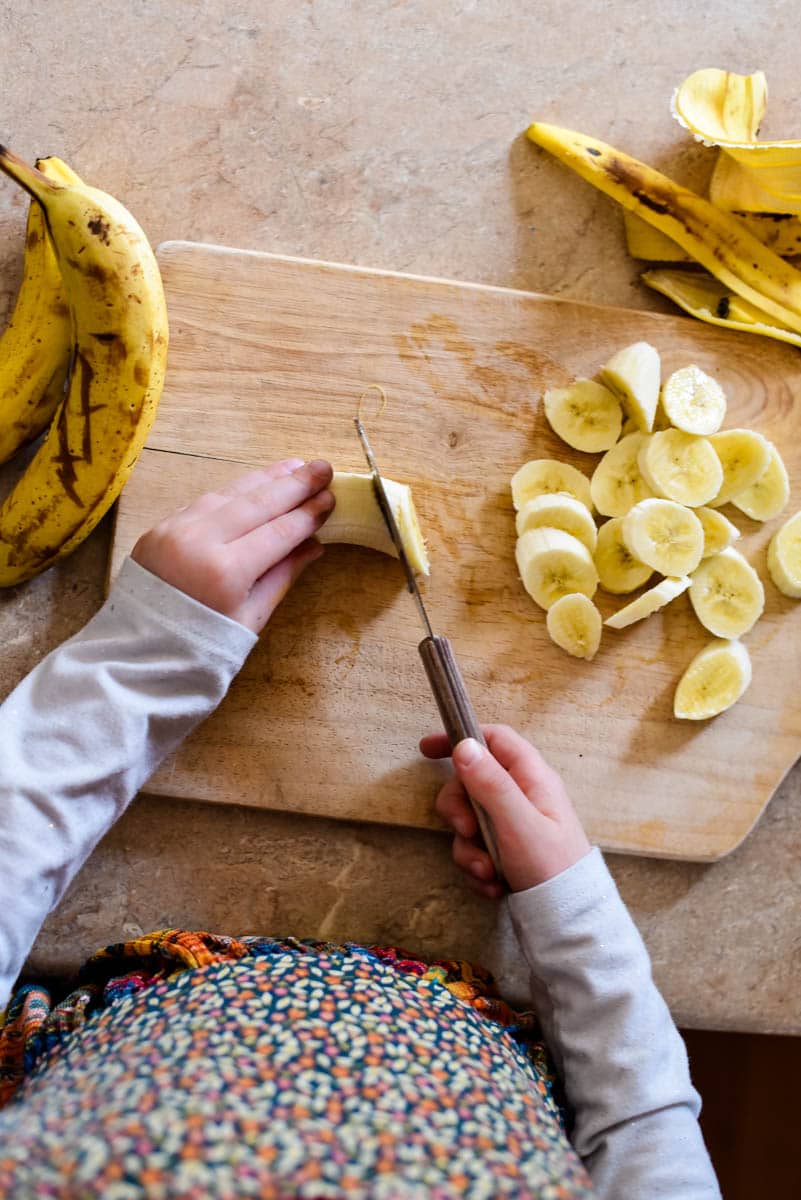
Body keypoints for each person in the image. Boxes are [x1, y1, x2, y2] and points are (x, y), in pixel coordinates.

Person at [0, 457, 721, 1198]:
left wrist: (138, 663)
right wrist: (568, 909)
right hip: (474, 1025)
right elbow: (645, 1136)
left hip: (128, 1015)